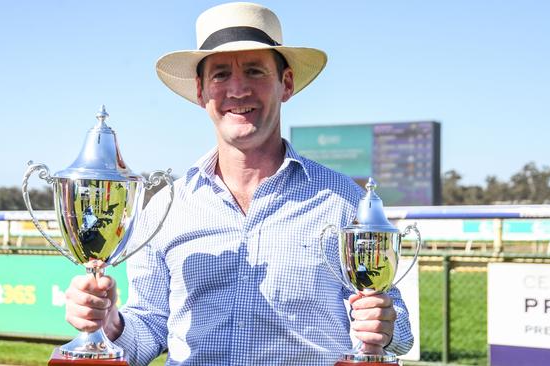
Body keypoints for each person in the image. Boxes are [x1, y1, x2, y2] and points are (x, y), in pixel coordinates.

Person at [65, 2, 414, 365]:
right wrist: (111, 324)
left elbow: (401, 333)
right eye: (219, 75)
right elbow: (149, 330)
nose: (237, 89)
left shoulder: (343, 202)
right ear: (200, 91)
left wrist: (383, 325)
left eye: (254, 71)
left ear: (286, 84)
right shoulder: (167, 207)